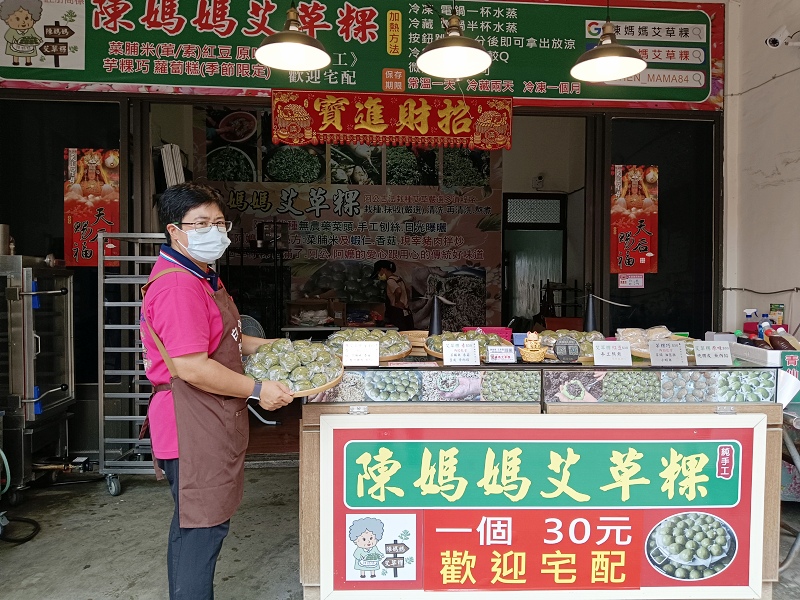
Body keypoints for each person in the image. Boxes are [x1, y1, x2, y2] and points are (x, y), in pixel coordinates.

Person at [140, 182, 293, 600]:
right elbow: (191, 366)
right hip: (191, 423)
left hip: (206, 418)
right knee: (201, 529)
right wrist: (258, 388)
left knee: (196, 525)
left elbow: (228, 339)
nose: (214, 231)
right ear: (175, 230)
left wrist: (279, 347)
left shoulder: (201, 274)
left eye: (219, 222)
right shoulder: (179, 287)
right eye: (201, 223)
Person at [371, 259, 414, 330]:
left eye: (379, 272)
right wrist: (405, 301)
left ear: (383, 269)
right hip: (406, 311)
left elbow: (398, 290)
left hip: (398, 312)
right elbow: (407, 291)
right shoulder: (398, 278)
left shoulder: (390, 280)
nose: (379, 275)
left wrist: (397, 302)